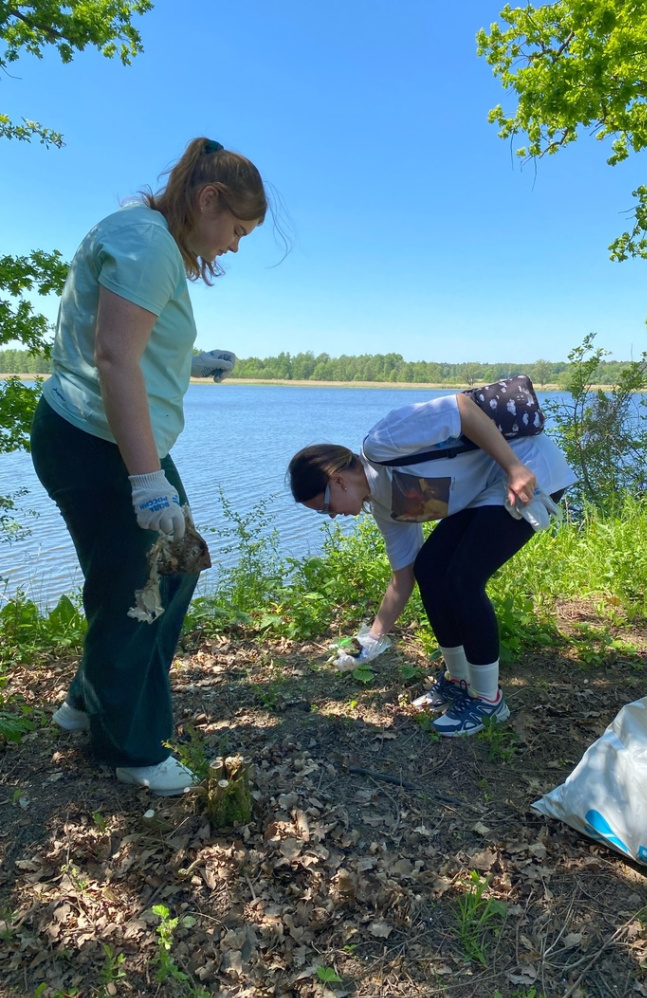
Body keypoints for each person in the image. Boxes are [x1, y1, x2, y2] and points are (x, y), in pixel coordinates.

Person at [31, 137, 268, 795]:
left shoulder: (143, 236)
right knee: (141, 589)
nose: (235, 245)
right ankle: (129, 749)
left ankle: (87, 701)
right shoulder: (149, 244)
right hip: (100, 444)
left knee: (170, 570)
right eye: (237, 229)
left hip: (106, 439)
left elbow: (118, 343)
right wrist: (145, 480)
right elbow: (111, 358)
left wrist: (189, 363)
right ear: (208, 198)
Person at [287, 390, 576, 737]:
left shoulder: (383, 442)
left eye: (326, 507)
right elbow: (403, 577)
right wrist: (371, 640)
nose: (332, 516)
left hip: (525, 468)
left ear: (337, 479)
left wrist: (514, 468)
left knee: (462, 578)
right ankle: (459, 679)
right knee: (430, 568)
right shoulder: (386, 507)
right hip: (484, 490)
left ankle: (488, 701)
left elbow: (462, 408)